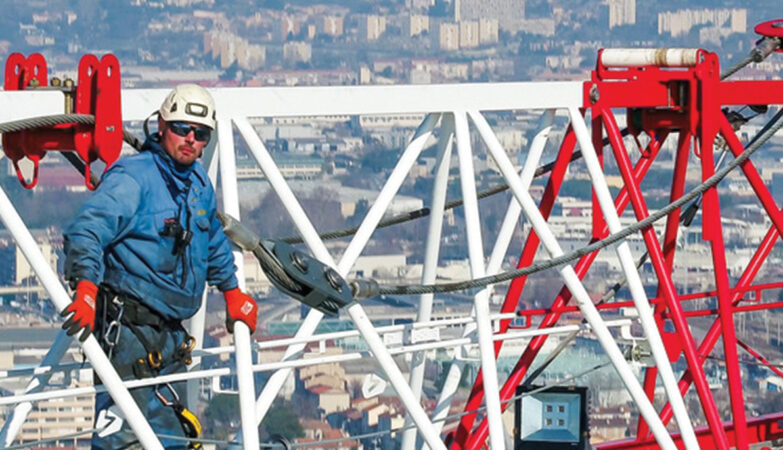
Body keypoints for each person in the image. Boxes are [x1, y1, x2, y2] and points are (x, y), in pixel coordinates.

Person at [60, 84, 258, 449]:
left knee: (170, 438)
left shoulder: (198, 184)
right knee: (121, 440)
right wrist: (86, 290)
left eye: (201, 134)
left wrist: (232, 291)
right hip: (127, 335)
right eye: (182, 129)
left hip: (169, 339)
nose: (191, 140)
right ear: (162, 126)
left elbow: (211, 239)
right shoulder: (134, 178)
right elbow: (86, 230)